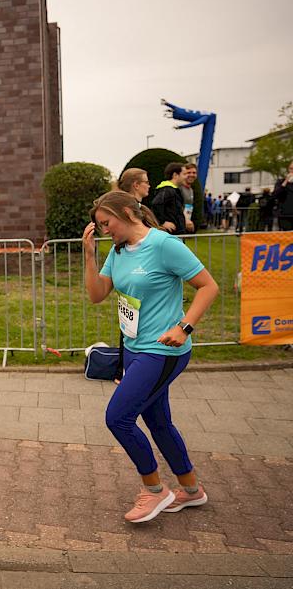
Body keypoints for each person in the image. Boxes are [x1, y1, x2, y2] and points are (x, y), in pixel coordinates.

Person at [83, 190, 219, 523]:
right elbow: (97, 295)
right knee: (158, 422)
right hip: (133, 349)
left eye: (107, 222)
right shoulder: (118, 251)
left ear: (128, 212)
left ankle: (155, 490)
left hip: (163, 350)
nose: (104, 230)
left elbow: (209, 286)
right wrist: (89, 256)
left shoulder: (164, 245)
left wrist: (184, 327)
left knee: (118, 418)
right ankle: (191, 490)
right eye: (99, 226)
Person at [112, 168, 161, 384]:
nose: (149, 186)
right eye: (146, 182)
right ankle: (127, 371)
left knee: (132, 322)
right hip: (139, 275)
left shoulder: (141, 210)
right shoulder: (131, 210)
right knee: (131, 323)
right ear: (135, 185)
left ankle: (127, 371)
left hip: (141, 276)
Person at [151, 163, 189, 235]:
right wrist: (162, 222)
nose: (186, 177)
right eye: (184, 174)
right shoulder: (167, 190)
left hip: (176, 233)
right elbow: (155, 204)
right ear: (175, 175)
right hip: (171, 234)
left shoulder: (173, 190)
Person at [273, 160, 293, 231]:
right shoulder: (281, 182)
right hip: (284, 215)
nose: (292, 171)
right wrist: (285, 182)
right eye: (291, 169)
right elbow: (275, 195)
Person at [180, 163, 197, 231]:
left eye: (194, 173)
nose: (192, 175)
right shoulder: (178, 188)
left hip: (184, 225)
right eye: (188, 172)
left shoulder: (191, 190)